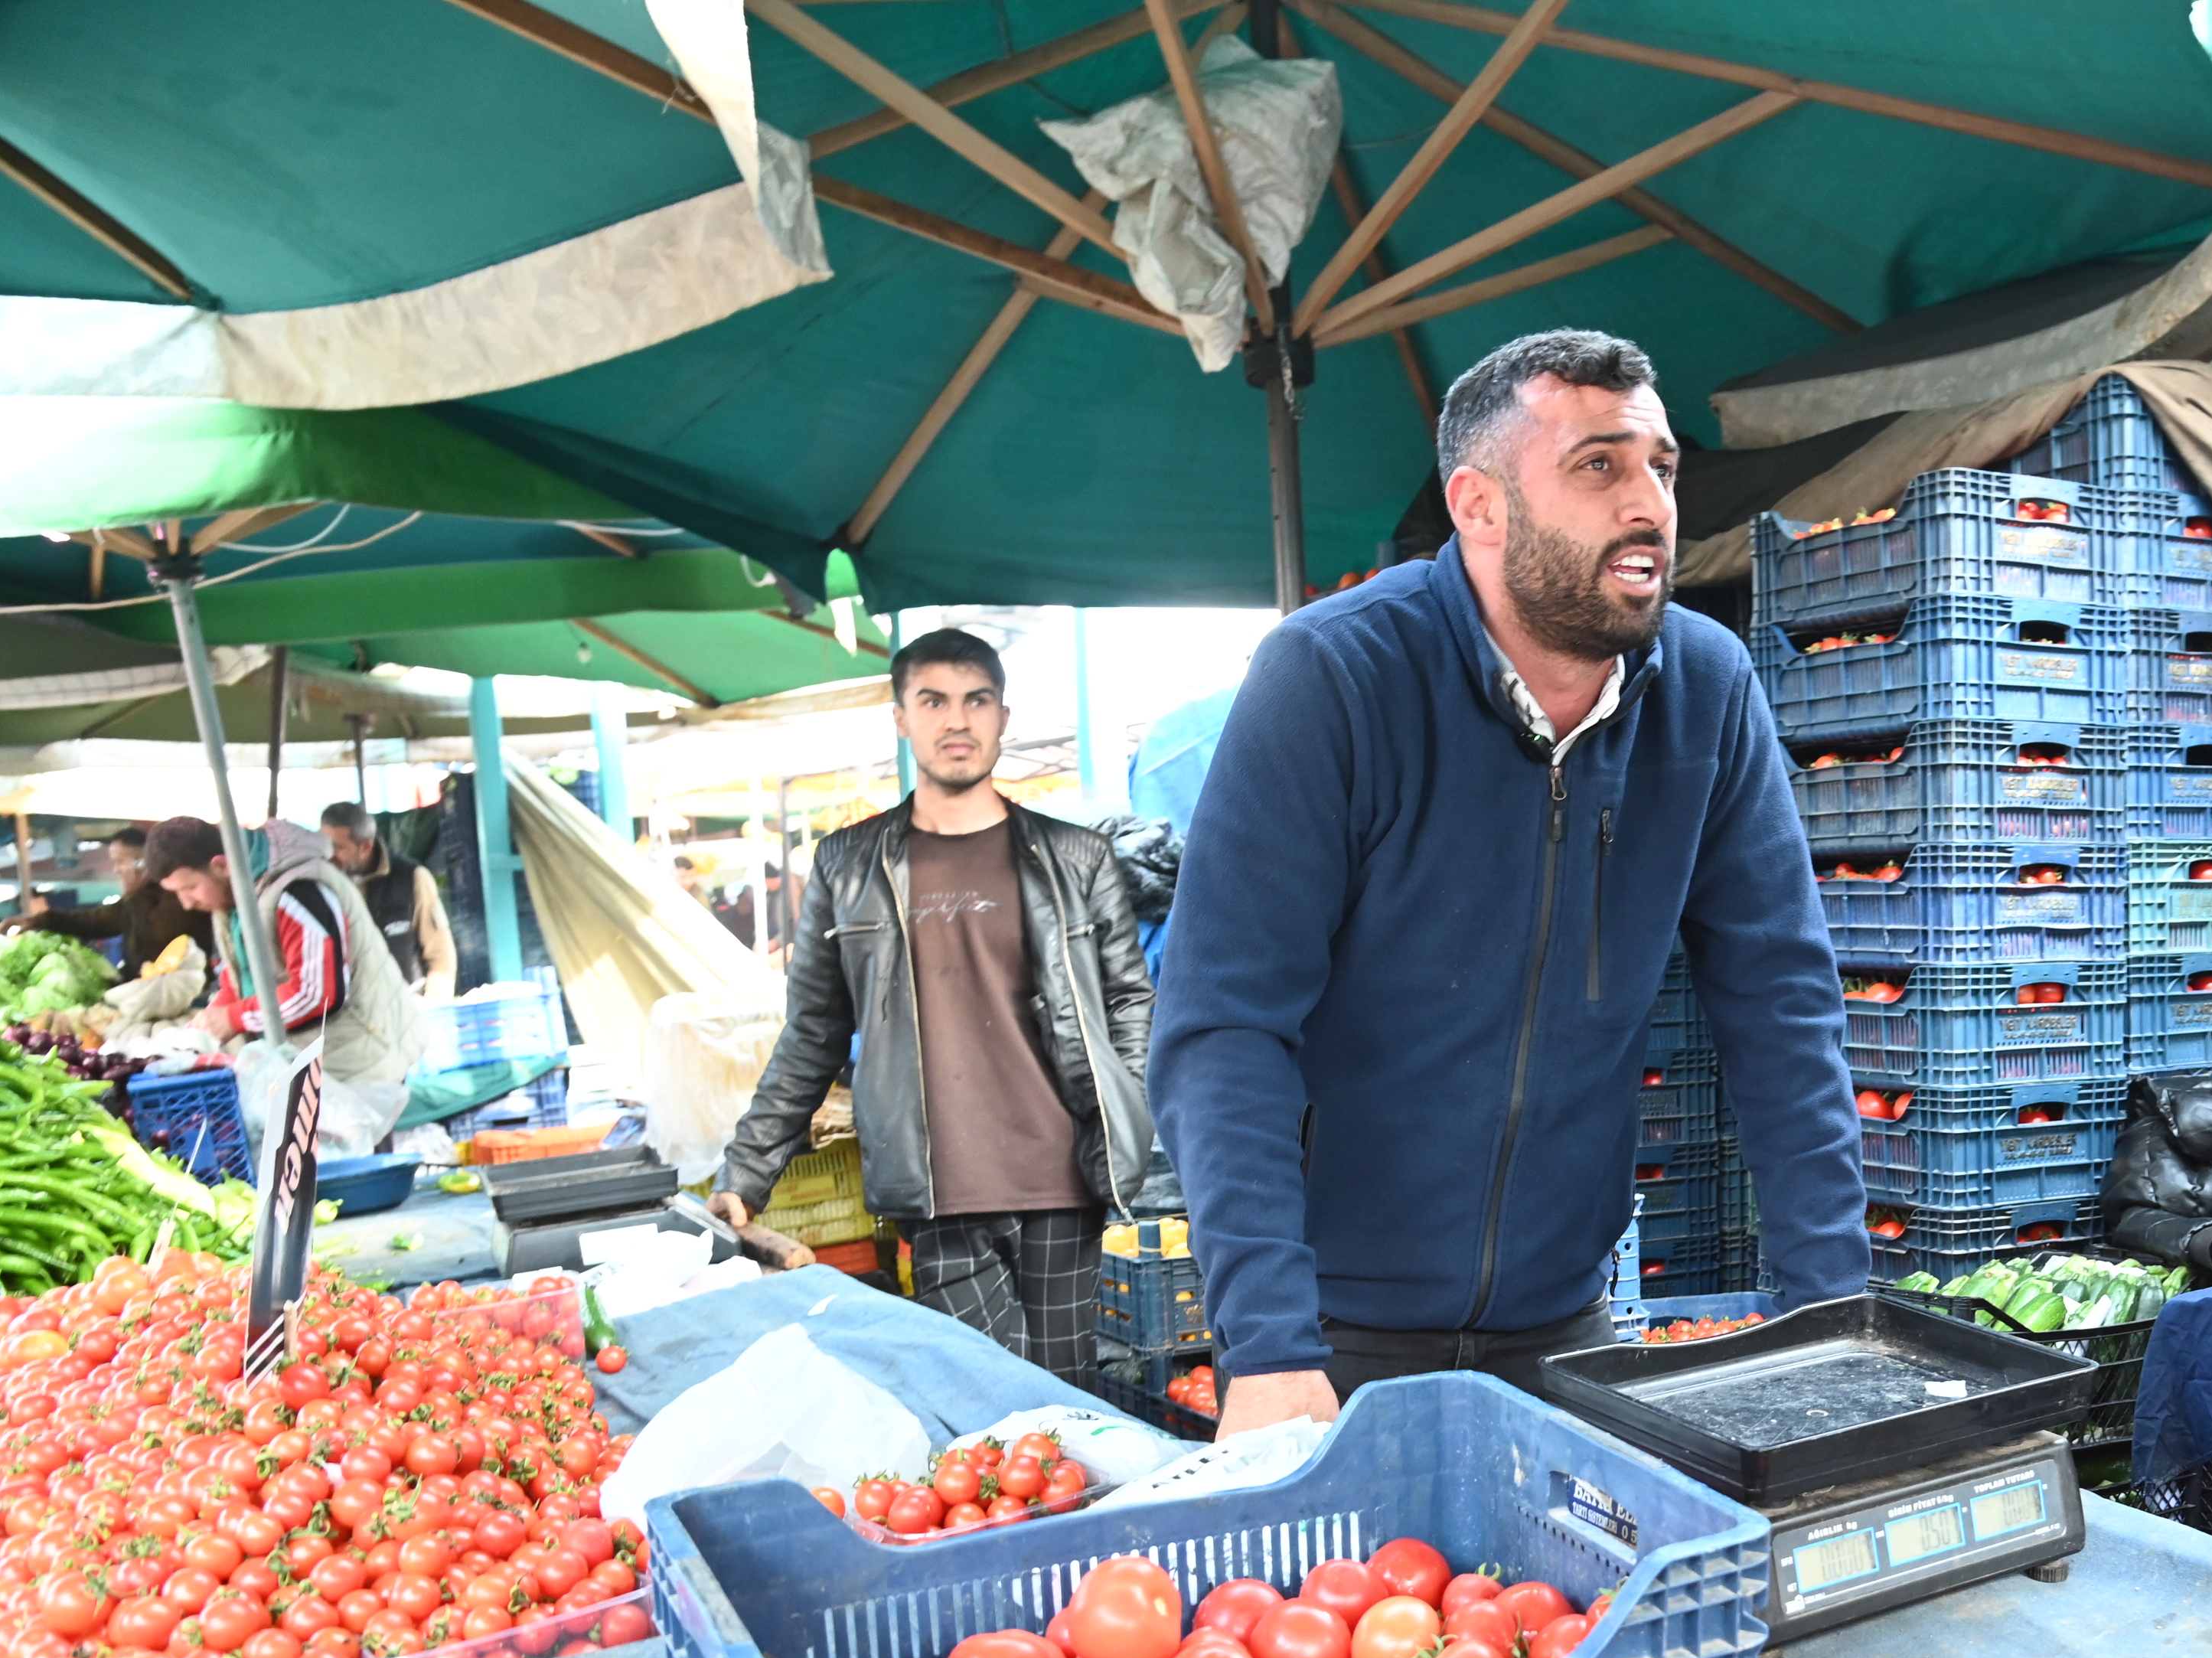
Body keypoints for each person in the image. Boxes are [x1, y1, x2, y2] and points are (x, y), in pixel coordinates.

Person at [1151, 328, 1864, 1435]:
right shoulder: (1334, 678)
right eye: (1600, 466)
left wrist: (1829, 1306)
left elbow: (1780, 1002)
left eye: (1661, 467)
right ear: (1478, 506)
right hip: (1333, 1339)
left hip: (1568, 1318)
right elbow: (1225, 1027)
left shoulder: (1709, 689)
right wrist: (1270, 1340)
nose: (1651, 505)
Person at [710, 629, 1153, 1380]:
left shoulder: (1077, 859)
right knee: (1002, 1402)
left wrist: (1126, 1117)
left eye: (976, 700)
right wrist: (746, 1171)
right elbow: (814, 1032)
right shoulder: (848, 865)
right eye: (934, 701)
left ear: (1002, 717)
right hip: (935, 1187)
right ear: (901, 718)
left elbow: (1130, 1005)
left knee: (1071, 1402)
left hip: (1063, 1182)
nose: (958, 721)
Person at [145, 814, 426, 1134]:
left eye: (190, 888)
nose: (186, 903)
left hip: (360, 1056)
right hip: (316, 1062)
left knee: (356, 1159)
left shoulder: (296, 891)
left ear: (222, 866)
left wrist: (233, 1019)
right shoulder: (234, 898)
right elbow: (240, 975)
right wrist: (214, 1016)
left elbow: (317, 995)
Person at [1, 827, 211, 963]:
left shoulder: (178, 897)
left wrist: (136, 892)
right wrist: (41, 920)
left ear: (143, 863)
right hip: (145, 996)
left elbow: (164, 936)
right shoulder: (136, 901)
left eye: (120, 862)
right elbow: (95, 921)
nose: (116, 870)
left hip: (185, 997)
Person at [318, 801, 457, 997]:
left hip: (406, 1007)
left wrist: (434, 1006)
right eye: (325, 845)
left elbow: (440, 954)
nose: (329, 854)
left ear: (366, 847)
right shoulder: (321, 882)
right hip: (350, 1014)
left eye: (338, 847)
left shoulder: (412, 878)